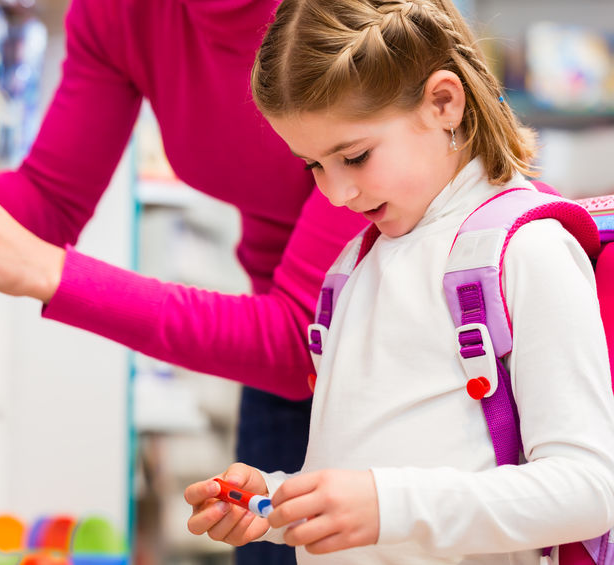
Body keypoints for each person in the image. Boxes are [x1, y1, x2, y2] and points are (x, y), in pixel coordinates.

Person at [0, 1, 367, 563]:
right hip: (288, 380)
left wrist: (53, 275)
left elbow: (300, 337)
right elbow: (48, 203)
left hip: (398, 348)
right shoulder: (124, 14)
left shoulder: (341, 18)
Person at [183, 0, 614, 563]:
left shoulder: (526, 250)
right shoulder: (351, 269)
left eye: (355, 156)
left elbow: (588, 490)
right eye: (313, 165)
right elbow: (375, 483)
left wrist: (389, 505)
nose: (335, 194)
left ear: (443, 103)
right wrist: (277, 504)